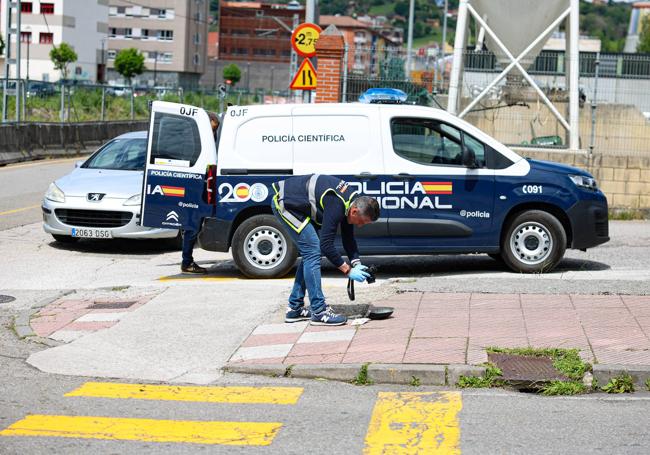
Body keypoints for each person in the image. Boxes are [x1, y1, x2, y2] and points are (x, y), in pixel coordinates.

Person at [271, 174, 380, 325]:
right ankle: (319, 311)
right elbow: (326, 245)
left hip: (300, 207)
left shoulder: (352, 202)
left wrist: (356, 263)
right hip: (286, 205)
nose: (360, 225)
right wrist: (348, 270)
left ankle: (294, 308)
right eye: (361, 221)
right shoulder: (337, 204)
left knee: (311, 253)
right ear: (354, 212)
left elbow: (348, 238)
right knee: (313, 251)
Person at [180, 111, 220, 274]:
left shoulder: (208, 138)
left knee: (194, 226)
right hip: (195, 187)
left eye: (214, 129)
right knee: (192, 226)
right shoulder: (193, 141)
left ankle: (187, 261)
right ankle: (187, 262)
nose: (213, 132)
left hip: (202, 186)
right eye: (212, 128)